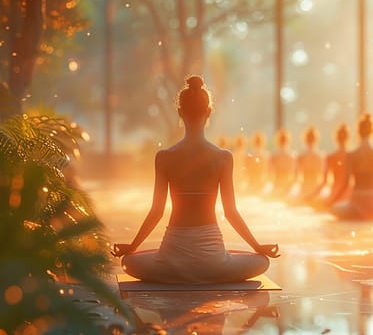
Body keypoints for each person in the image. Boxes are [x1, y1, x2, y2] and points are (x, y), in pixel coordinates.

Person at [112, 76, 279, 284]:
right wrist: (257, 247)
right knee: (261, 262)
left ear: (180, 112)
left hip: (171, 262)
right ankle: (214, 267)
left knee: (129, 262)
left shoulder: (164, 157)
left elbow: (157, 211)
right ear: (208, 112)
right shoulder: (223, 157)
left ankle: (174, 269)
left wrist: (133, 247)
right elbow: (230, 212)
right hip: (213, 263)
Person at [328, 113, 373, 220]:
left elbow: (346, 184)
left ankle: (357, 214)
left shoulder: (351, 155)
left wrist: (332, 200)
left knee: (334, 208)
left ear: (358, 132)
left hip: (356, 203)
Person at [307, 123, 351, 206]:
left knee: (318, 203)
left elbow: (324, 182)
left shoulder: (330, 157)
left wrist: (311, 196)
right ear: (348, 138)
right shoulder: (352, 155)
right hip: (349, 194)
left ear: (336, 139)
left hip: (334, 193)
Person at [295, 126, 324, 199]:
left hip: (304, 187)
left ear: (305, 139)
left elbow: (296, 175)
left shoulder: (301, 155)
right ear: (316, 139)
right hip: (315, 188)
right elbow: (322, 175)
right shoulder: (320, 156)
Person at [267, 128, 296, 197]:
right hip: (288, 187)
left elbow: (269, 174)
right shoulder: (291, 156)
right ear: (288, 141)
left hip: (276, 185)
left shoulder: (273, 155)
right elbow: (294, 176)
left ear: (277, 141)